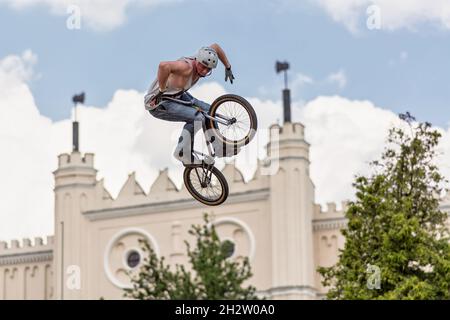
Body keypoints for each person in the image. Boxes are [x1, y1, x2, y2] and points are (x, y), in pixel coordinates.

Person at [144, 44, 235, 166]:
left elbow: (216, 48)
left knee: (209, 110)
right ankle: (182, 151)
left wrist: (228, 67)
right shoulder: (185, 67)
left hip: (177, 95)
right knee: (198, 117)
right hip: (159, 103)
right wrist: (161, 90)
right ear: (197, 60)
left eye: (208, 69)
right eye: (203, 67)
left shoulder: (204, 54)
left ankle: (219, 147)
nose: (204, 71)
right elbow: (163, 65)